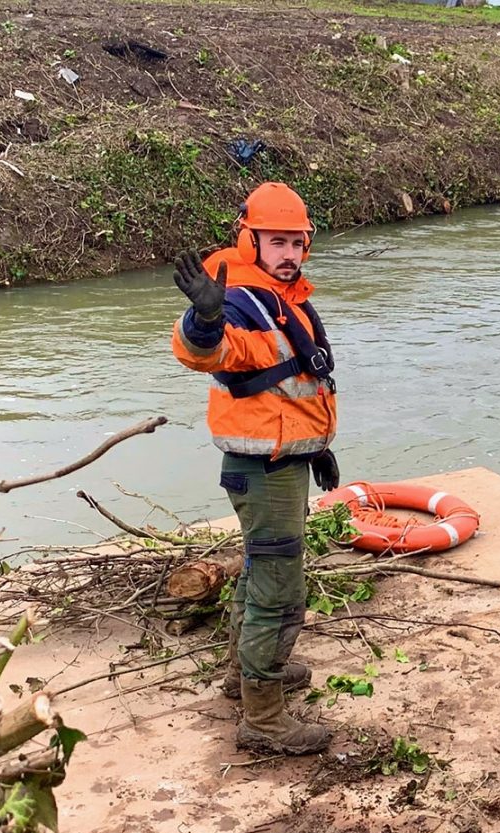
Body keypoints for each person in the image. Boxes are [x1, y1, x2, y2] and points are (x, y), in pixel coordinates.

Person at [170, 181, 340, 755]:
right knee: (279, 590)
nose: (289, 253)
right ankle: (263, 718)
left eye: (296, 242)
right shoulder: (241, 300)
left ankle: (238, 676)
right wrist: (203, 319)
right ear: (250, 240)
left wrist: (314, 448)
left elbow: (291, 386)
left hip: (278, 463)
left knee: (257, 572)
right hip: (262, 470)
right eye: (277, 242)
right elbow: (211, 353)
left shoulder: (285, 298)